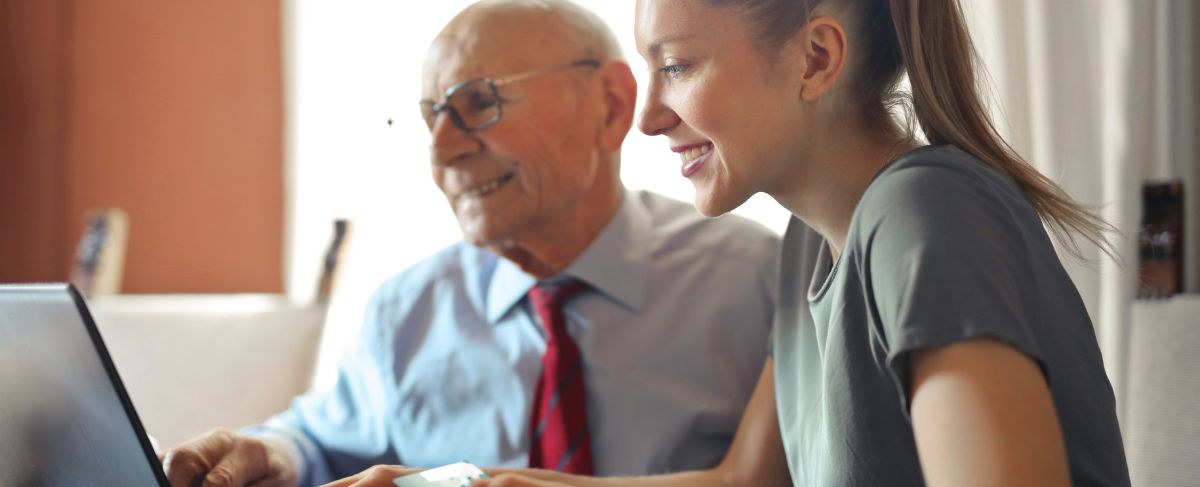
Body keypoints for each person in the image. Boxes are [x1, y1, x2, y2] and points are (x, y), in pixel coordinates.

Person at [326, 0, 1134, 485]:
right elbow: (743, 482)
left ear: (816, 59)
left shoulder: (925, 217)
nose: (647, 119)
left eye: (676, 67)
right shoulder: (810, 245)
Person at [159, 1, 783, 486]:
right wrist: (270, 454)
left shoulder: (759, 281)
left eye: (478, 103)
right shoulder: (407, 311)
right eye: (432, 116)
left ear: (611, 106)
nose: (441, 151)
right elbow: (319, 441)